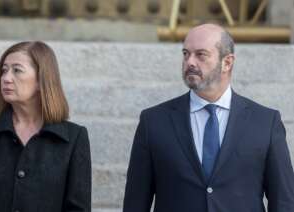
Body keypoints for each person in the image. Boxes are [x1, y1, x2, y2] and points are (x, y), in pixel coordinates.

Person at [123, 23, 294, 212]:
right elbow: (135, 203)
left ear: (227, 62)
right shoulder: (153, 122)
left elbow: (284, 202)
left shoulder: (265, 122)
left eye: (200, 55)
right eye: (186, 54)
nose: (190, 62)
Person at [0, 41, 91, 212]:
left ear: (42, 80)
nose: (6, 78)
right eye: (4, 70)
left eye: (17, 70)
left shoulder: (74, 137)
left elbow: (78, 208)